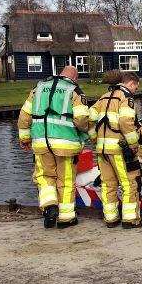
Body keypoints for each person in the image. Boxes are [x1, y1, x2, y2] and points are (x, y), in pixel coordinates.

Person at [17, 66, 89, 229]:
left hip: (41, 142)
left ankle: (50, 206)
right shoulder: (74, 90)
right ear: (75, 77)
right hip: (66, 144)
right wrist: (83, 132)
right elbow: (81, 119)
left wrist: (24, 138)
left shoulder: (38, 88)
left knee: (44, 177)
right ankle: (66, 219)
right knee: (66, 180)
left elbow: (24, 116)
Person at [89, 72, 142, 229]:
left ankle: (111, 219)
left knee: (108, 184)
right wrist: (133, 144)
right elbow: (126, 123)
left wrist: (95, 138)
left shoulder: (104, 96)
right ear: (131, 84)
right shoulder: (126, 98)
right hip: (120, 150)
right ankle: (130, 220)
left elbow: (89, 118)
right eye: (136, 87)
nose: (136, 90)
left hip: (102, 150)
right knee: (130, 183)